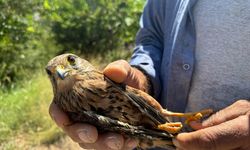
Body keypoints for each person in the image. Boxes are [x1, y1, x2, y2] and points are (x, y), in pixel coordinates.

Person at [49, 0, 250, 149]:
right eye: (51, 74)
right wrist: (143, 78)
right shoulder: (72, 106)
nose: (61, 71)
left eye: (71, 61)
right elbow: (151, 40)